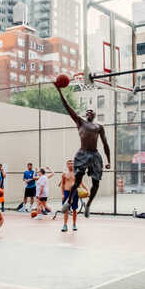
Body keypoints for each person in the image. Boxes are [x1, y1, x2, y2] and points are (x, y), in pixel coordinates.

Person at [55, 83, 111, 218]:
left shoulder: (99, 126)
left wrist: (109, 161)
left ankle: (89, 205)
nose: (89, 112)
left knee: (96, 183)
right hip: (82, 153)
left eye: (91, 111)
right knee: (78, 180)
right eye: (87, 111)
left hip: (95, 155)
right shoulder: (80, 122)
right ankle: (68, 202)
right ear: (85, 115)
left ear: (95, 115)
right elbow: (68, 107)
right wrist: (59, 91)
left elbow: (105, 144)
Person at [59, 160, 88, 232]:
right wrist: (62, 194)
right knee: (66, 209)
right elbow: (62, 184)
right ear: (67, 165)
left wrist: (87, 190)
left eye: (72, 163)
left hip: (75, 193)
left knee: (74, 209)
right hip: (66, 192)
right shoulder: (64, 174)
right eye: (69, 164)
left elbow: (81, 183)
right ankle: (65, 225)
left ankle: (74, 224)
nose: (70, 165)